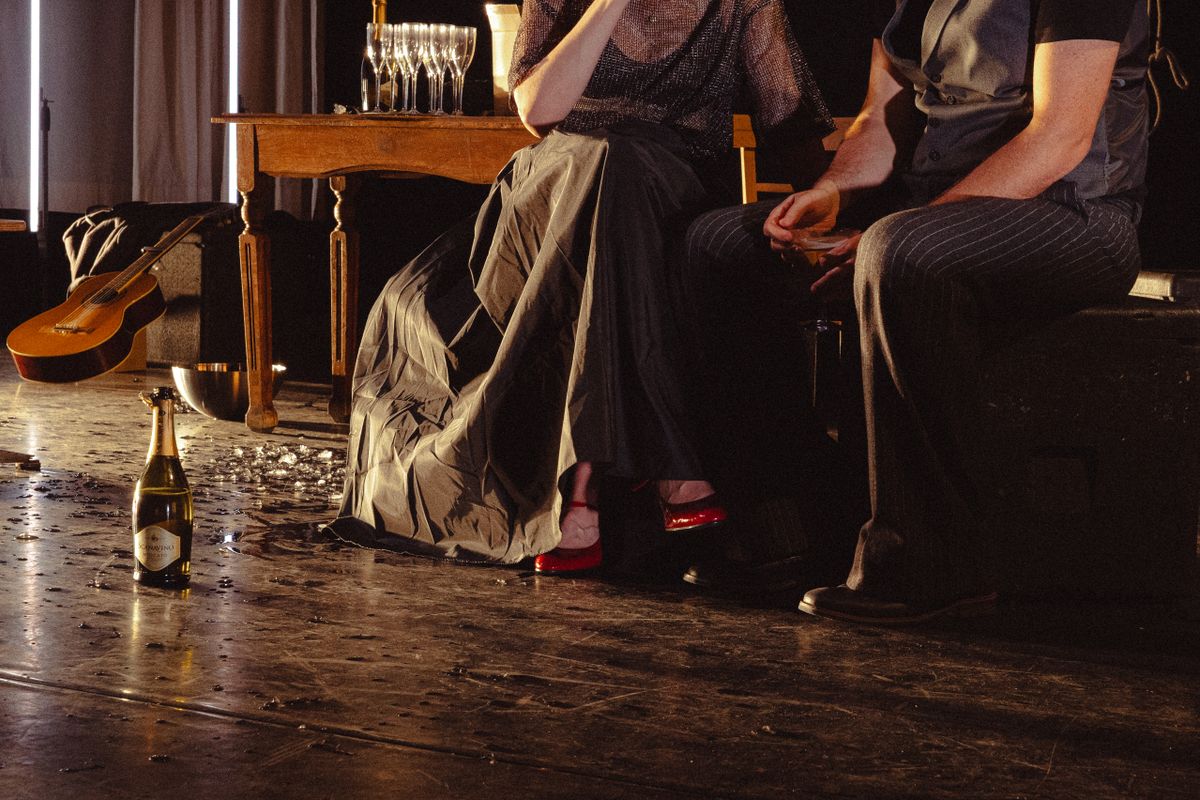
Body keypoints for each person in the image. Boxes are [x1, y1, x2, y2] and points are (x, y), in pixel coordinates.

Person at [332, 0, 834, 575]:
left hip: (673, 185)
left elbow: (790, 122)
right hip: (558, 188)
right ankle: (671, 470)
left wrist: (829, 206)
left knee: (623, 180)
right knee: (609, 166)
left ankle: (582, 490)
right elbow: (539, 111)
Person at [687, 0, 1150, 622]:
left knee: (899, 250)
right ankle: (790, 530)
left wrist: (903, 229)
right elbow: (882, 118)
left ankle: (931, 565)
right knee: (721, 244)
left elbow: (1057, 138)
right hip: (933, 212)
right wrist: (830, 192)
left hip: (1072, 214)